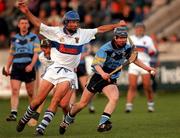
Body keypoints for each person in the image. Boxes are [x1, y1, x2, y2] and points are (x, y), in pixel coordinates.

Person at [16, 0, 127, 136]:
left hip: (68, 73)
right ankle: (24, 119)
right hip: (54, 69)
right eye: (72, 22)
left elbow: (100, 29)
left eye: (76, 22)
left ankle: (41, 128)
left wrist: (117, 25)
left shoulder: (82, 33)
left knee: (56, 100)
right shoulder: (55, 32)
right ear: (66, 22)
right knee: (38, 100)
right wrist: (27, 12)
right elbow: (38, 24)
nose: (74, 24)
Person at [59, 27, 156, 134]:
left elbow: (134, 59)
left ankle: (102, 123)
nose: (123, 40)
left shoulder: (127, 48)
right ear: (115, 38)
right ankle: (67, 119)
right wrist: (103, 73)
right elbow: (96, 65)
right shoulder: (105, 48)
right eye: (120, 38)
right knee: (82, 104)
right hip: (98, 77)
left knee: (114, 97)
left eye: (124, 38)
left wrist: (148, 68)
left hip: (111, 78)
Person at [4, 16, 40, 121]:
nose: (24, 25)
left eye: (26, 23)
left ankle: (32, 112)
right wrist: (7, 67)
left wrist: (31, 65)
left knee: (31, 93)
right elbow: (11, 54)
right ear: (19, 25)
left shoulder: (34, 37)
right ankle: (13, 113)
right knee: (15, 90)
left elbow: (36, 53)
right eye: (22, 23)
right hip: (16, 67)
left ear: (28, 25)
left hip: (28, 66)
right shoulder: (14, 38)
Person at [125, 22, 157, 113]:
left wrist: (150, 52)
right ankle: (129, 106)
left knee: (147, 86)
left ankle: (150, 104)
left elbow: (153, 51)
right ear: (135, 29)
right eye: (138, 29)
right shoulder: (131, 39)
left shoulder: (148, 39)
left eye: (141, 29)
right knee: (132, 86)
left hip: (145, 64)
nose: (139, 30)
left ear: (144, 30)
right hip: (133, 64)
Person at [70, 44, 95, 113]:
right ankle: (70, 109)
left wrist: (83, 55)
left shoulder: (84, 40)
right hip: (72, 66)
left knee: (85, 87)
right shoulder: (70, 40)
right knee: (72, 89)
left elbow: (89, 50)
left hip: (81, 65)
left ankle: (90, 105)